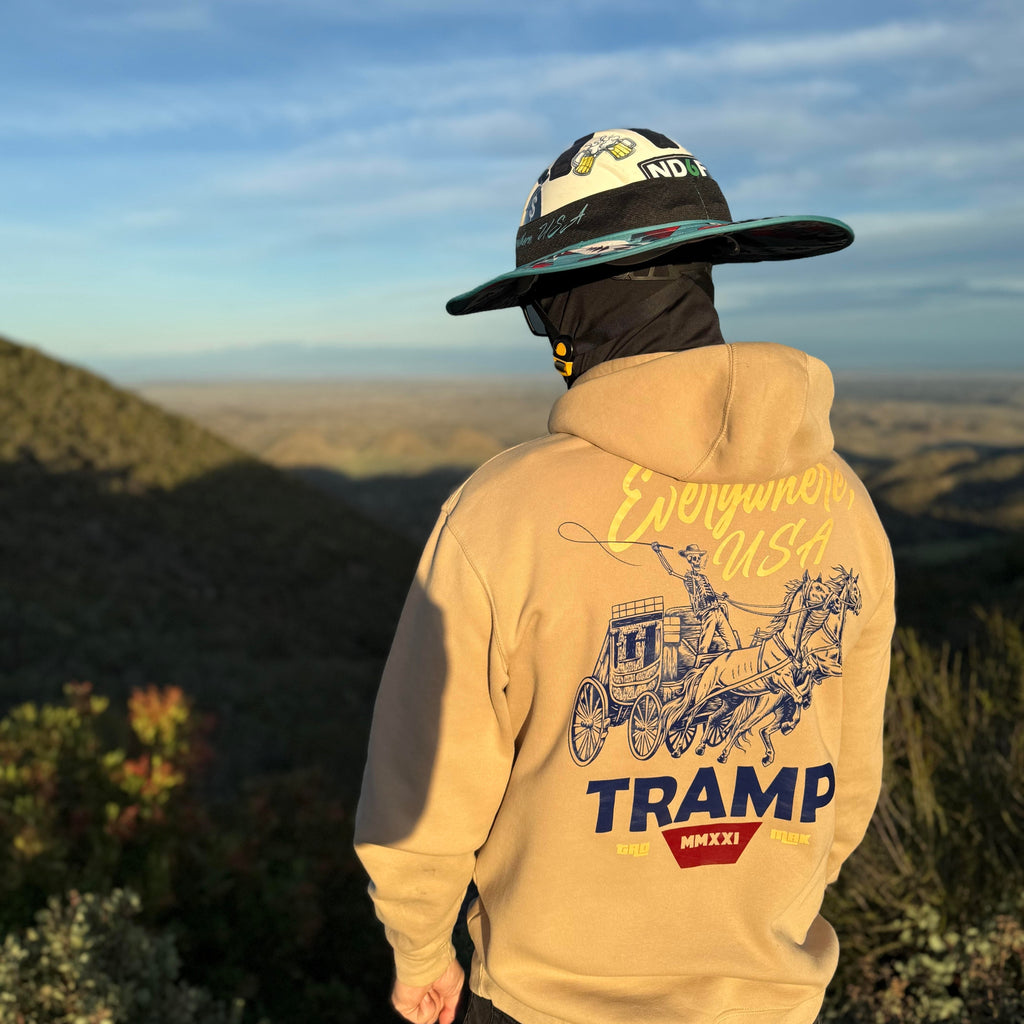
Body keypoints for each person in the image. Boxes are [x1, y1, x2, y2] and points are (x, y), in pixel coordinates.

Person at [355, 128, 895, 1024]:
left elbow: (424, 783)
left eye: (543, 311)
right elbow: (850, 781)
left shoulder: (502, 510)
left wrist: (420, 949)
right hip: (771, 993)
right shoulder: (843, 501)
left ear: (569, 307)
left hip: (544, 1002)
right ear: (699, 276)